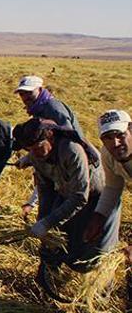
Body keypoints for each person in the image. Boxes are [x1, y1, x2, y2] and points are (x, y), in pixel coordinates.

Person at [12, 117, 118, 272]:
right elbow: (45, 190)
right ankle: (48, 278)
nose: (34, 153)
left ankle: (97, 288)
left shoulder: (71, 151)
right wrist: (42, 220)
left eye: (38, 147)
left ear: (50, 138)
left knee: (96, 250)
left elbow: (81, 196)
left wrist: (48, 222)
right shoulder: (37, 154)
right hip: (68, 193)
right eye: (30, 150)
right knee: (52, 243)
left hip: (98, 198)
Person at [15, 76, 84, 217]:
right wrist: (28, 158)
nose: (25, 97)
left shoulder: (52, 108)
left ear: (40, 90)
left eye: (29, 92)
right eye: (22, 93)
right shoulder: (37, 109)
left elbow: (69, 137)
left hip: (66, 165)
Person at [85, 110, 132, 263]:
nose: (115, 143)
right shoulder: (108, 154)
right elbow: (113, 187)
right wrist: (98, 217)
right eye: (108, 138)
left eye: (120, 135)